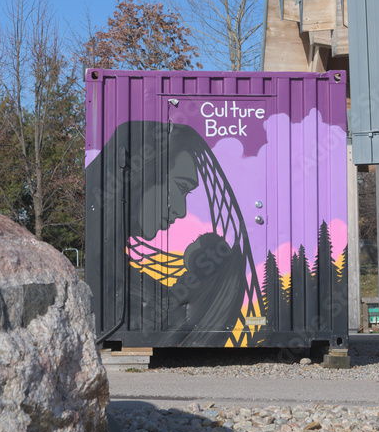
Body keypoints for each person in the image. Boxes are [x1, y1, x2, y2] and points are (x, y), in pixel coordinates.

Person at [85, 120, 255, 345]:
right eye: (182, 188)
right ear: (144, 176)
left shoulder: (120, 285)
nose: (182, 212)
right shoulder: (128, 290)